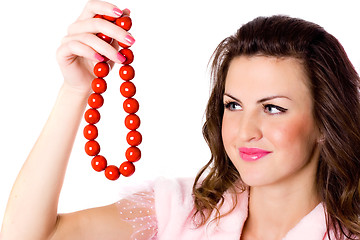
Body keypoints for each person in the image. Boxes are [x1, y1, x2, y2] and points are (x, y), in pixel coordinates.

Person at [1, 0, 359, 239]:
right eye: (233, 106)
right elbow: (29, 235)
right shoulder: (181, 210)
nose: (244, 132)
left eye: (272, 108)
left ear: (324, 123)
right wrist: (75, 91)